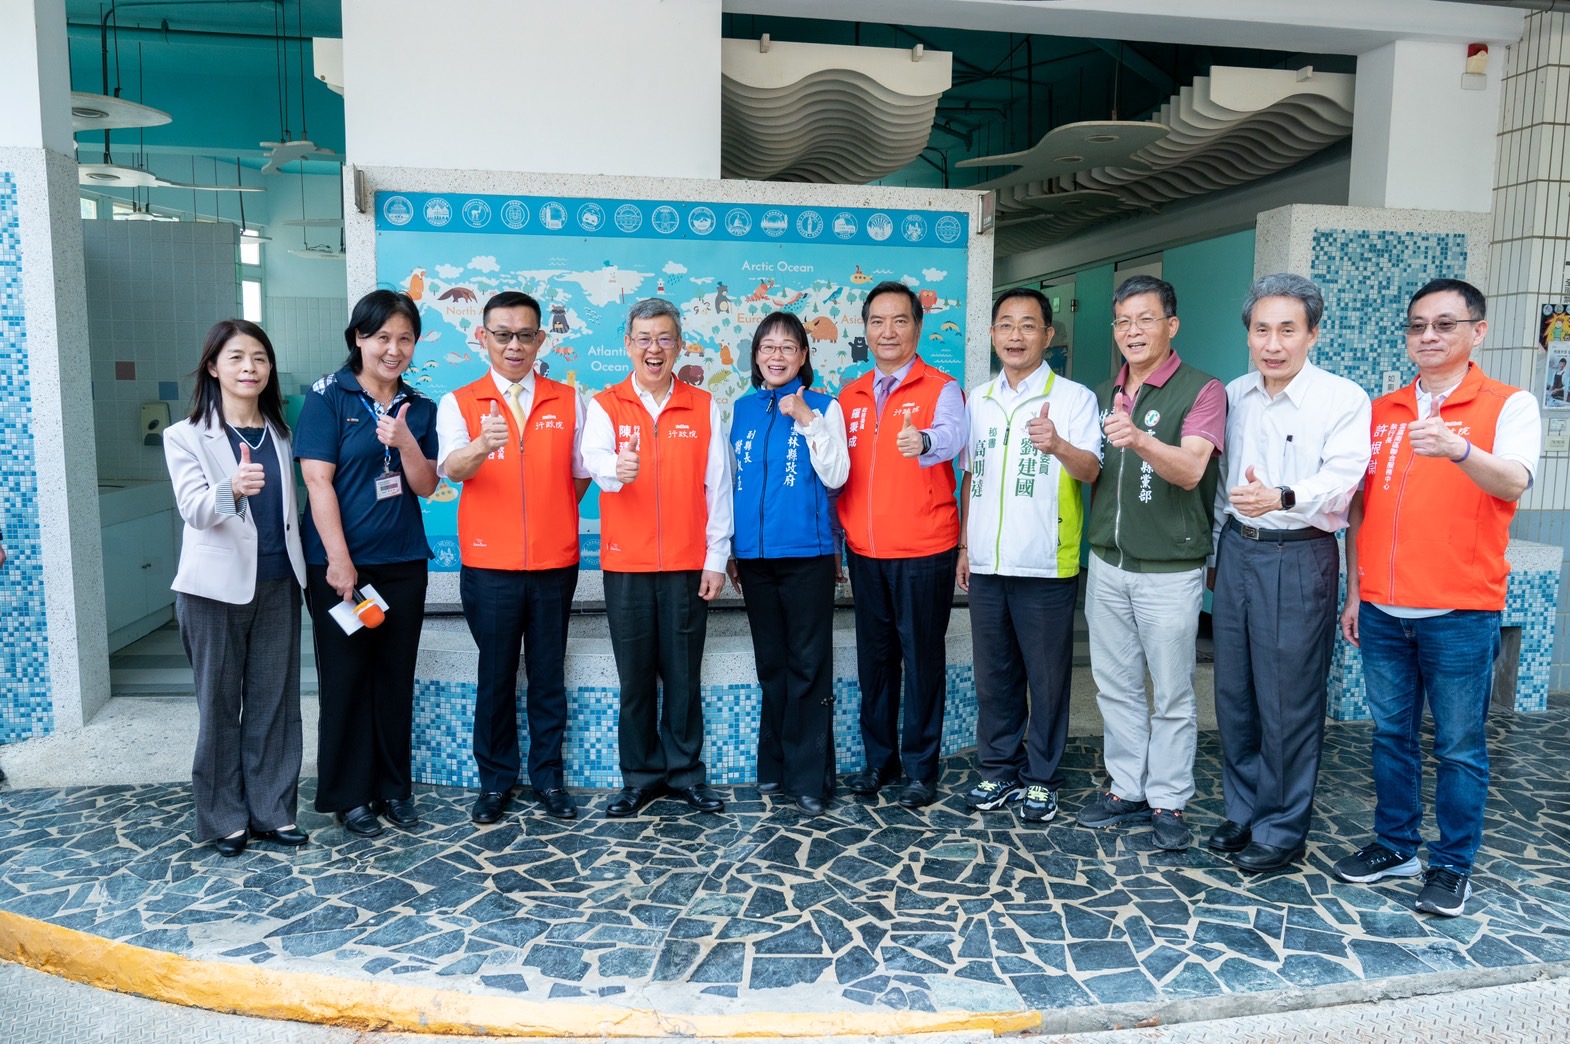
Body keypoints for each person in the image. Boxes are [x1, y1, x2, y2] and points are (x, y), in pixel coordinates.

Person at [1335, 278, 1541, 917]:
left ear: (1478, 332)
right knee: (1390, 735)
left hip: (1460, 611)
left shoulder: (1509, 405)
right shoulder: (1383, 410)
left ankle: (1452, 866)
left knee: (1458, 745)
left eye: (1445, 324)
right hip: (1382, 609)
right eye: (1418, 325)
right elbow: (1360, 507)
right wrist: (1356, 591)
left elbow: (1514, 481)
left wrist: (1459, 449)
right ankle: (1395, 844)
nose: (1428, 335)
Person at [1207, 275, 1371, 873]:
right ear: (1248, 335)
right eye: (1261, 330)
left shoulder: (1342, 398)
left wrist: (1281, 496)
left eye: (1287, 330)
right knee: (1235, 692)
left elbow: (1344, 480)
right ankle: (1245, 809)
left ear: (1312, 334)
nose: (1272, 344)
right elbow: (1222, 485)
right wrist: (1217, 552)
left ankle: (1281, 827)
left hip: (1300, 554)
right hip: (1238, 551)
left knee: (1289, 699)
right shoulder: (1235, 393)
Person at [1076, 274, 1225, 851]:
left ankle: (1168, 797)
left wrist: (1138, 438)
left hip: (1169, 570)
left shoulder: (1203, 390)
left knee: (1171, 692)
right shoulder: (1104, 391)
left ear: (1172, 325)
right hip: (1107, 564)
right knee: (1115, 687)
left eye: (1145, 319)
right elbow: (1093, 470)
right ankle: (1127, 787)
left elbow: (1190, 471)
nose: (1132, 331)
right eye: (1122, 321)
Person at [437, 291, 590, 824]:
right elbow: (452, 469)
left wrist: (550, 515)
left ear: (541, 339)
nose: (514, 345)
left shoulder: (569, 400)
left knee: (548, 676)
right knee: (496, 676)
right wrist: (482, 445)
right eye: (502, 335)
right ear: (483, 338)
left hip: (554, 564)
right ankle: (495, 782)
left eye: (525, 335)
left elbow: (580, 475)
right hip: (489, 566)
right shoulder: (459, 402)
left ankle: (549, 779)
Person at [162, 320, 308, 858]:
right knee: (219, 705)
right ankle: (223, 818)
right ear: (213, 367)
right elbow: (194, 510)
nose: (250, 367)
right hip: (212, 592)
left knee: (275, 703)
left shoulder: (282, 433)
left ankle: (273, 811)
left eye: (260, 358)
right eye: (237, 357)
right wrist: (232, 489)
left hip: (279, 583)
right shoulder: (185, 435)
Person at [296, 290, 439, 838]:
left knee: (394, 679)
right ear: (358, 338)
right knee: (347, 679)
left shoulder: (419, 407)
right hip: (341, 571)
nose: (393, 349)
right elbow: (317, 481)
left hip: (403, 562)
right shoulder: (328, 396)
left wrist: (405, 443)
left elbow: (425, 485)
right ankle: (349, 795)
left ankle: (393, 789)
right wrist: (338, 561)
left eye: (405, 338)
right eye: (382, 337)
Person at [956, 288, 1102, 824]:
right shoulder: (977, 399)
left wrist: (1058, 445)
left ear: (1048, 334)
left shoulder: (1074, 398)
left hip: (1045, 561)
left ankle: (1041, 777)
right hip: (987, 563)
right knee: (994, 676)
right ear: (992, 334)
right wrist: (965, 546)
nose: (1015, 336)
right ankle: (998, 769)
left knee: (1047, 678)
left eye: (1027, 325)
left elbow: (1092, 470)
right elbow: (970, 474)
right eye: (1005, 325)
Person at [583, 297, 733, 817]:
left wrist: (716, 557)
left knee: (684, 676)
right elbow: (592, 459)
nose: (654, 348)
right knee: (636, 678)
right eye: (644, 339)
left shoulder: (702, 405)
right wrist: (615, 469)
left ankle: (686, 773)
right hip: (626, 564)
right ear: (628, 345)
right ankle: (640, 776)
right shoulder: (605, 405)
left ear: (679, 345)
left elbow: (719, 486)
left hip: (688, 566)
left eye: (664, 338)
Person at [837, 281, 966, 809]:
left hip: (923, 550)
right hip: (865, 552)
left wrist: (925, 441)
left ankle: (919, 768)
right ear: (866, 330)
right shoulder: (850, 394)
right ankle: (879, 761)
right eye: (877, 321)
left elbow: (953, 436)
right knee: (875, 662)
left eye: (899, 320)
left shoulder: (941, 388)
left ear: (918, 326)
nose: (887, 331)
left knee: (923, 660)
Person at [725, 311, 849, 816]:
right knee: (772, 664)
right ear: (756, 356)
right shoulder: (741, 410)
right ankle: (775, 766)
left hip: (806, 555)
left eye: (787, 347)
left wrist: (807, 419)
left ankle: (810, 778)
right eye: (767, 347)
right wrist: (731, 549)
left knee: (808, 666)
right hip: (754, 559)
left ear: (803, 356)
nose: (776, 356)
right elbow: (730, 483)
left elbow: (837, 474)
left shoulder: (824, 406)